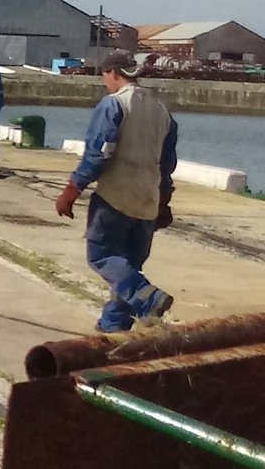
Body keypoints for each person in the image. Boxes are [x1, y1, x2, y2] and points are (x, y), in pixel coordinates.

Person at [55, 49, 178, 333]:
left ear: (112, 73)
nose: (104, 81)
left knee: (101, 255)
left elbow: (98, 154)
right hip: (148, 199)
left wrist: (72, 190)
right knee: (128, 267)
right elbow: (168, 163)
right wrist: (164, 200)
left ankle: (149, 299)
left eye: (104, 76)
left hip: (115, 197)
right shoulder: (161, 110)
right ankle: (114, 326)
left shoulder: (113, 105)